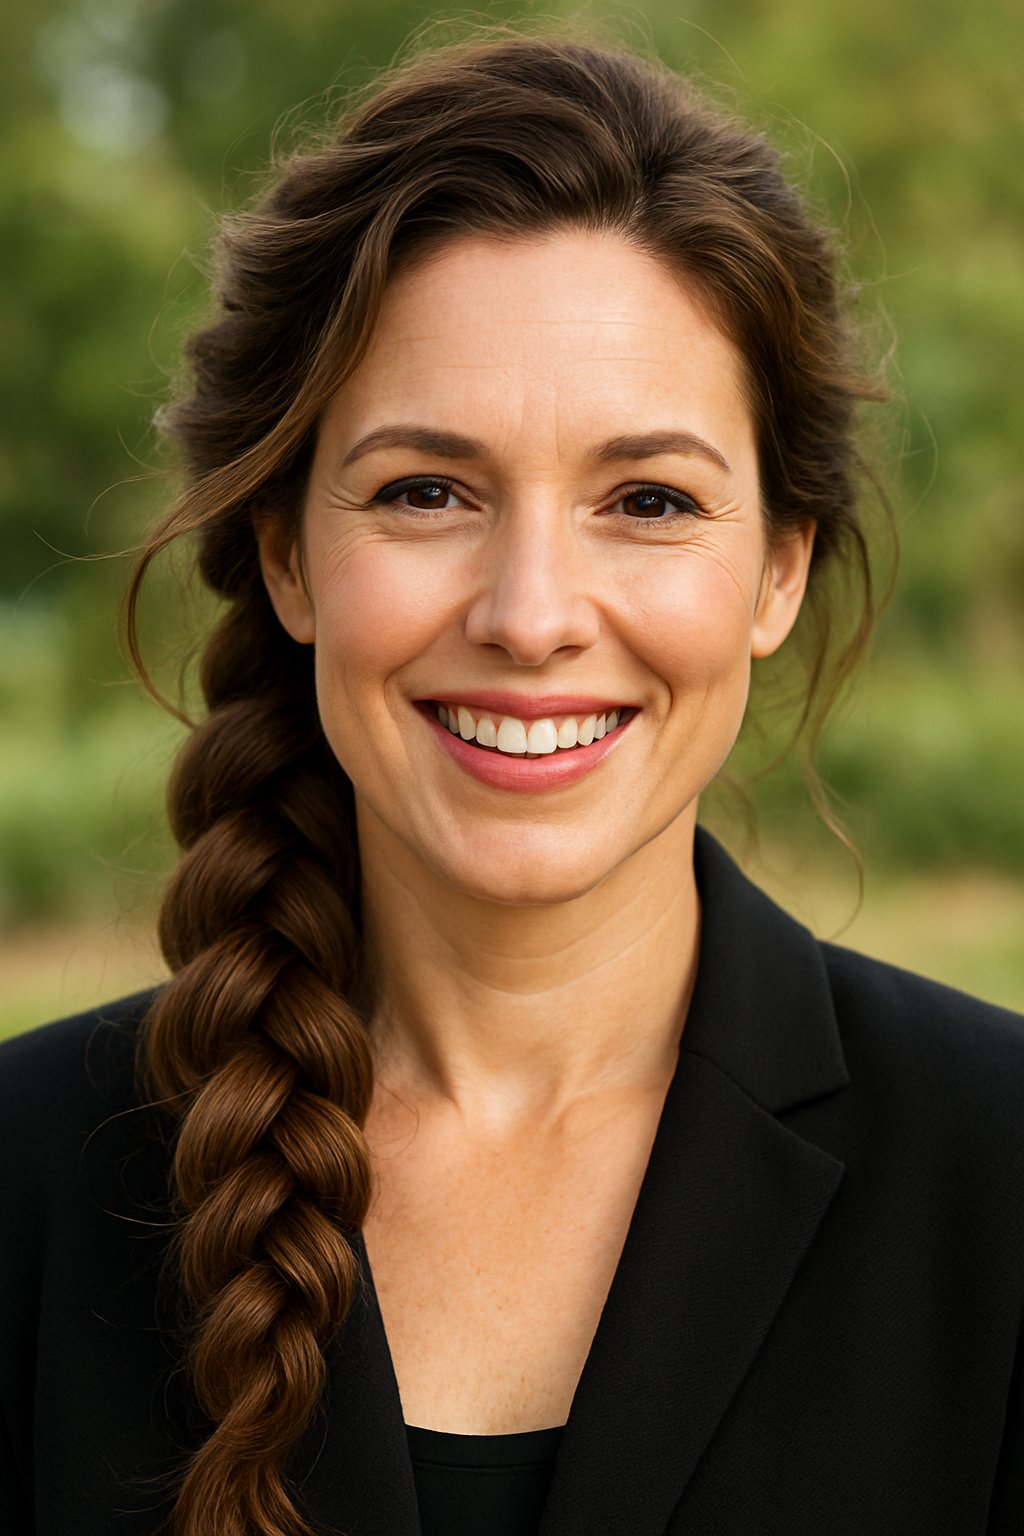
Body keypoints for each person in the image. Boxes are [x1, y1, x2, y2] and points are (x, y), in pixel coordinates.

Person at [1, 28, 1022, 1536]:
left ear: (777, 570)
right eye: (427, 491)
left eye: (648, 500)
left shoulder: (1001, 1174)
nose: (532, 613)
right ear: (288, 553)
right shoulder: (27, 1178)